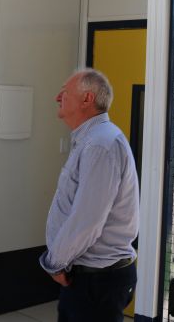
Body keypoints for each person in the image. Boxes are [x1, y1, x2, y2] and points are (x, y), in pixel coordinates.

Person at [40, 68, 139, 322]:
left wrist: (55, 263)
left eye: (65, 91)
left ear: (87, 99)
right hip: (88, 275)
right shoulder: (91, 140)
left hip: (97, 281)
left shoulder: (100, 145)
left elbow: (87, 220)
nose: (57, 97)